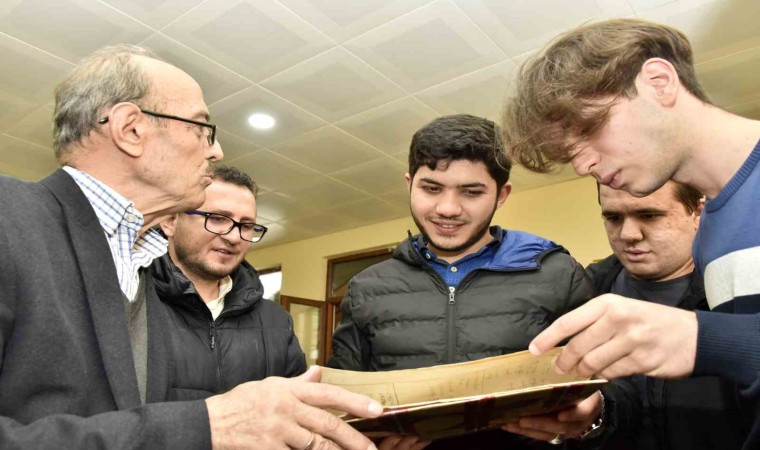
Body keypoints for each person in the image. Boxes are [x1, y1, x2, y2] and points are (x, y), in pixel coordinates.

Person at [0, 44, 381, 449]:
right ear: (131, 129)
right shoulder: (9, 217)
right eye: (201, 128)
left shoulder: (137, 270)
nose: (216, 150)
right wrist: (209, 426)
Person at [501, 18, 760, 449]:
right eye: (569, 153)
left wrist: (701, 339)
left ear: (659, 82)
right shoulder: (712, 235)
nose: (582, 166)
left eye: (588, 130)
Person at [328, 114, 595, 449]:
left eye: (471, 192)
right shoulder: (366, 287)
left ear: (501, 194)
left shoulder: (558, 274)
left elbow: (601, 389)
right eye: (431, 188)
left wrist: (589, 417)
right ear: (409, 184)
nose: (448, 208)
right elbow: (342, 404)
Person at [508, 181, 749, 448]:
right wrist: (591, 418)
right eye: (614, 217)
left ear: (698, 214)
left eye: (649, 215)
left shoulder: (741, 294)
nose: (628, 234)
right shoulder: (577, 297)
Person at [151, 165, 307, 400]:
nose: (234, 237)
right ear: (171, 221)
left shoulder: (276, 320)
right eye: (217, 219)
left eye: (246, 226)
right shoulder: (130, 304)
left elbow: (297, 408)